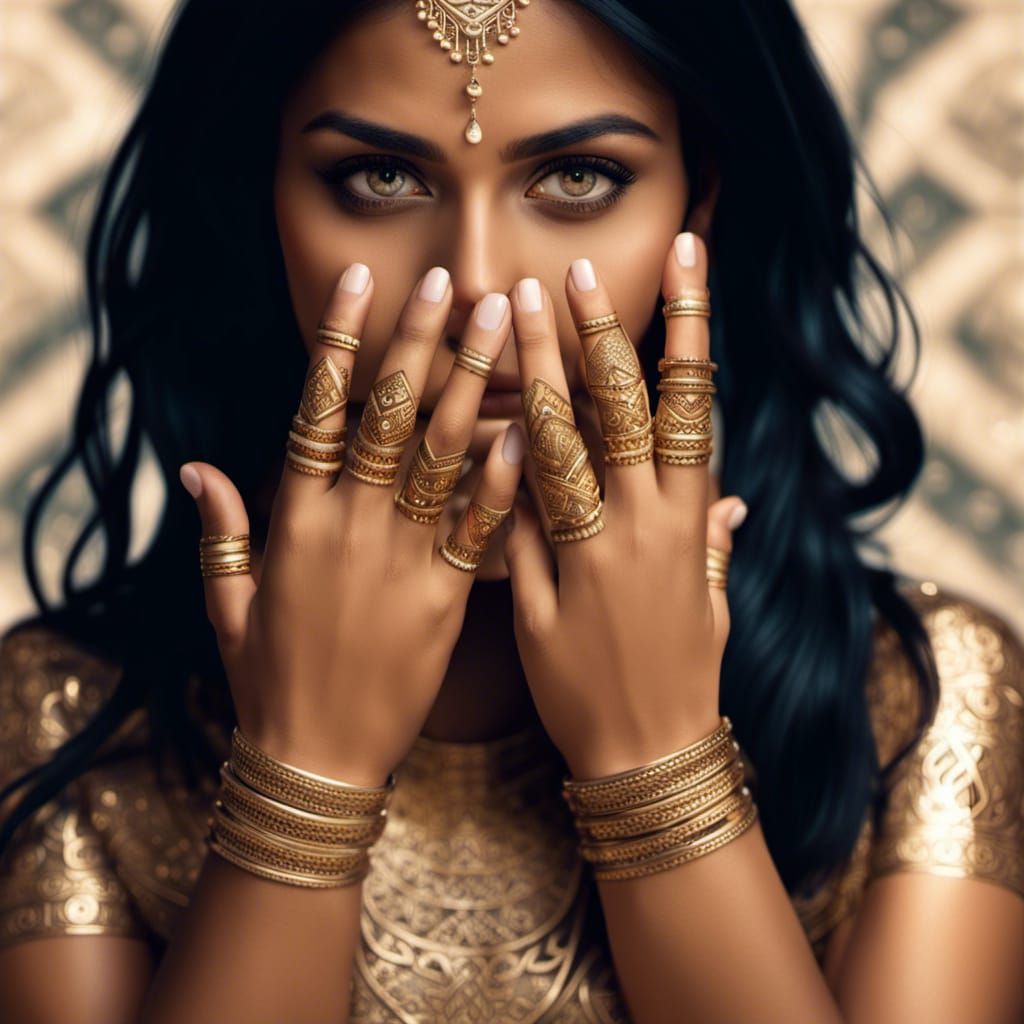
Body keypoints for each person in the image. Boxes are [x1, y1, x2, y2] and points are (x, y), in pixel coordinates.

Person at [0, 0, 1021, 1021]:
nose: (478, 280)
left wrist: (653, 752)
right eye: (380, 178)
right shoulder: (66, 715)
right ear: (257, 197)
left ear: (697, 202)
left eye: (577, 179)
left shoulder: (922, 704)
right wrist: (306, 766)